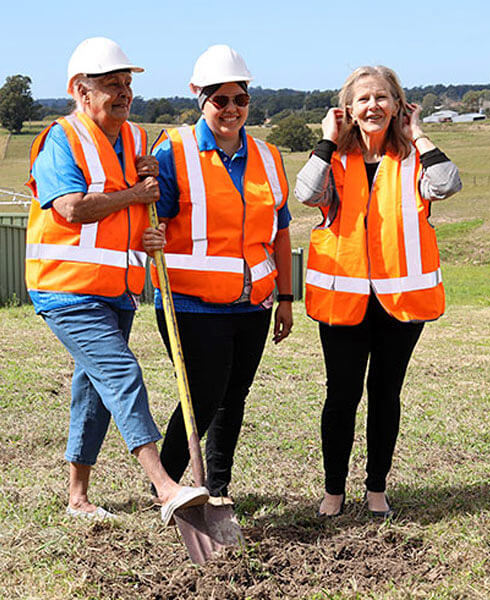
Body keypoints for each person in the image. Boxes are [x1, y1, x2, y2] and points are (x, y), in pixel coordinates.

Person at [25, 37, 208, 525]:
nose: (124, 94)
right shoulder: (60, 138)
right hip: (67, 288)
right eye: (112, 85)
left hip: (118, 290)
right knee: (122, 374)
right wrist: (133, 193)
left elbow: (136, 210)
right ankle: (166, 486)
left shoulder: (135, 140)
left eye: (127, 85)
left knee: (94, 388)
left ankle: (77, 497)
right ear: (81, 92)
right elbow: (69, 208)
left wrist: (149, 231)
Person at [294, 66, 462, 518]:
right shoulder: (334, 161)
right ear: (348, 109)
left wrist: (419, 134)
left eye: (382, 98)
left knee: (386, 394)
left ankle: (376, 489)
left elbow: (447, 184)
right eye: (363, 99)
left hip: (401, 303)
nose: (373, 107)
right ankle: (333, 491)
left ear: (398, 105)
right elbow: (305, 193)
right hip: (343, 301)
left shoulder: (413, 161)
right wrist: (327, 140)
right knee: (341, 397)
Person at [143, 45, 294, 503]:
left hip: (253, 304)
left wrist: (286, 297)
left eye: (240, 99)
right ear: (199, 97)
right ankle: (165, 486)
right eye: (220, 99)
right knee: (204, 396)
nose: (231, 109)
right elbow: (154, 222)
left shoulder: (268, 156)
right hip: (190, 302)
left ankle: (217, 487)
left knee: (235, 396)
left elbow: (280, 233)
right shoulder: (174, 151)